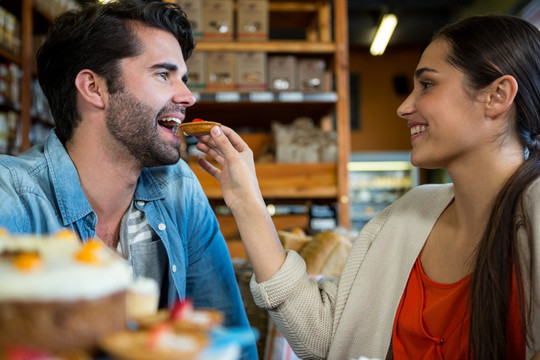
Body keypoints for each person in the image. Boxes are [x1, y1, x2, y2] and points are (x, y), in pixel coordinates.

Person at [196, 14, 540, 359]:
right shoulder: (406, 216)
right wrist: (245, 198)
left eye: (428, 85)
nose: (404, 107)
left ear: (497, 96)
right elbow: (323, 338)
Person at [0, 1, 257, 358]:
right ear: (94, 88)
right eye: (163, 74)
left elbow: (227, 341)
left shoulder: (179, 188)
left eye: (182, 76)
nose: (188, 96)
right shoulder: (10, 196)